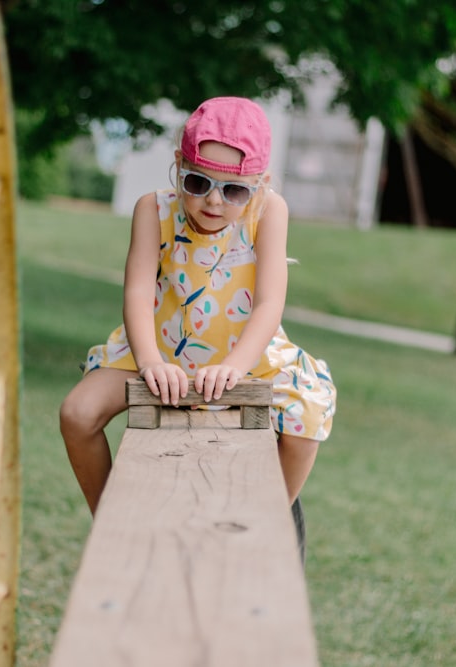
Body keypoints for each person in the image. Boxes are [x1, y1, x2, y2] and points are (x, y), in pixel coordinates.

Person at [59, 96, 336, 518]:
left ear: (260, 185)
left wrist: (235, 367)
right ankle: (112, 522)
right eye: (197, 183)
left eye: (235, 190)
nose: (213, 201)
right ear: (179, 166)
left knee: (305, 426)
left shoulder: (269, 212)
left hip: (247, 356)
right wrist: (151, 362)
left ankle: (266, 524)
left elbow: (269, 303)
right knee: (77, 414)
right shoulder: (154, 210)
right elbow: (136, 293)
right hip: (158, 350)